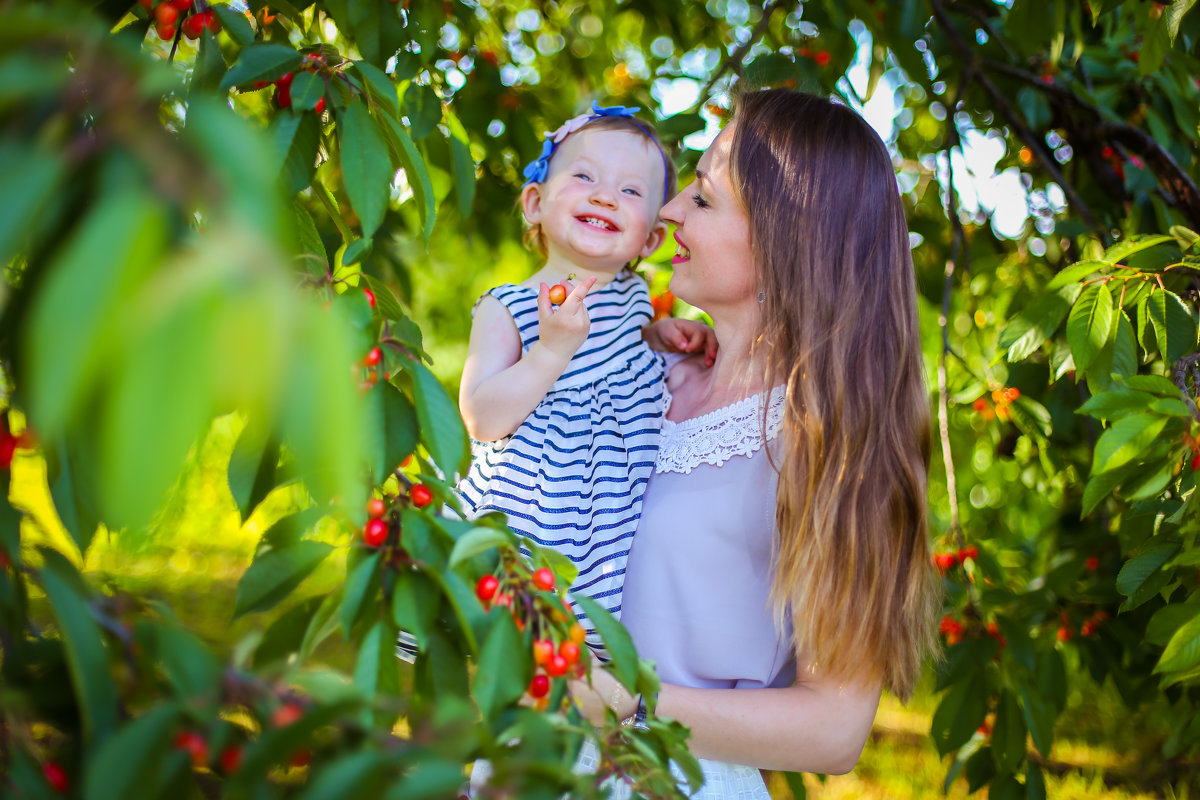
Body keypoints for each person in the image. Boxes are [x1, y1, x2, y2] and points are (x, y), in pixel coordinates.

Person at [571, 89, 942, 797]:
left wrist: (621, 700)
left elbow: (833, 731)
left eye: (704, 200)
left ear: (785, 239)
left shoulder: (828, 441)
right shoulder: (645, 373)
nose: (670, 209)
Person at [455, 103, 717, 647]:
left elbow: (617, 358)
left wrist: (657, 334)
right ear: (534, 203)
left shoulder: (635, 302)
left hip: (614, 522)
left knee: (595, 668)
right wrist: (550, 352)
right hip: (535, 509)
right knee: (518, 645)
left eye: (630, 191)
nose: (604, 196)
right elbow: (482, 418)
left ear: (649, 240)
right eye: (584, 176)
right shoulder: (507, 308)